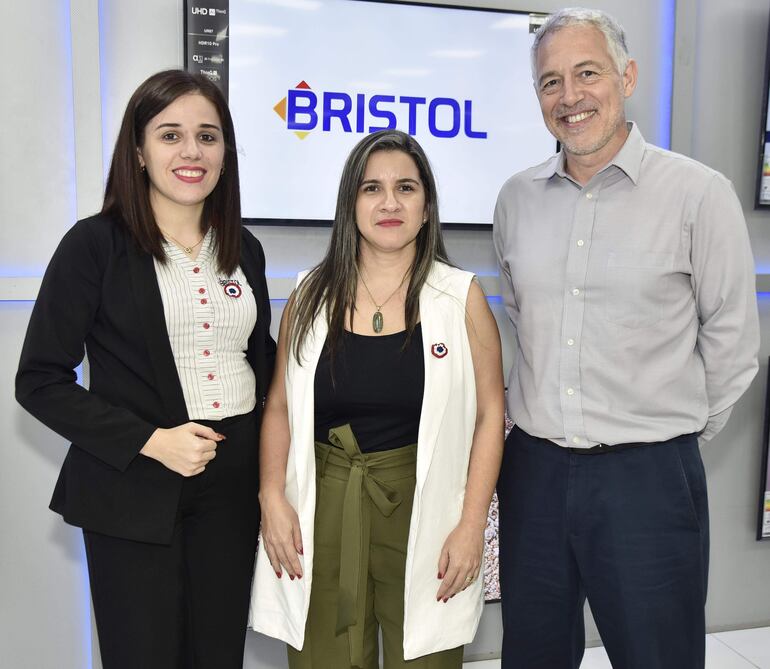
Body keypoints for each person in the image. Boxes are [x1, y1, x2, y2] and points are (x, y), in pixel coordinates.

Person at [493, 8, 760, 669]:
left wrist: (667, 434)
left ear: (627, 76)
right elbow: (525, 321)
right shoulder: (516, 199)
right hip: (535, 473)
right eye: (551, 82)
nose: (570, 96)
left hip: (647, 478)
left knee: (658, 656)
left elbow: (732, 339)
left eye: (588, 73)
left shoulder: (699, 194)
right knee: (532, 654)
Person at [15, 69, 276, 669]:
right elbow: (39, 380)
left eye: (208, 136)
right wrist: (151, 442)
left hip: (231, 488)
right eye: (170, 135)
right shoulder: (94, 245)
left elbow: (256, 358)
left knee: (218, 655)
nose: (191, 152)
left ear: (225, 152)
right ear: (138, 151)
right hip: (135, 484)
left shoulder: (245, 248)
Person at [248, 129, 504, 668]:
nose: (390, 202)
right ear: (350, 204)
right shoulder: (309, 295)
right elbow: (279, 408)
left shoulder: (459, 297)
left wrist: (471, 523)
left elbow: (489, 414)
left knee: (426, 657)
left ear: (427, 205)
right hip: (323, 505)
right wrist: (271, 495)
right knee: (327, 656)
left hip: (427, 508)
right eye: (372, 188)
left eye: (406, 188)